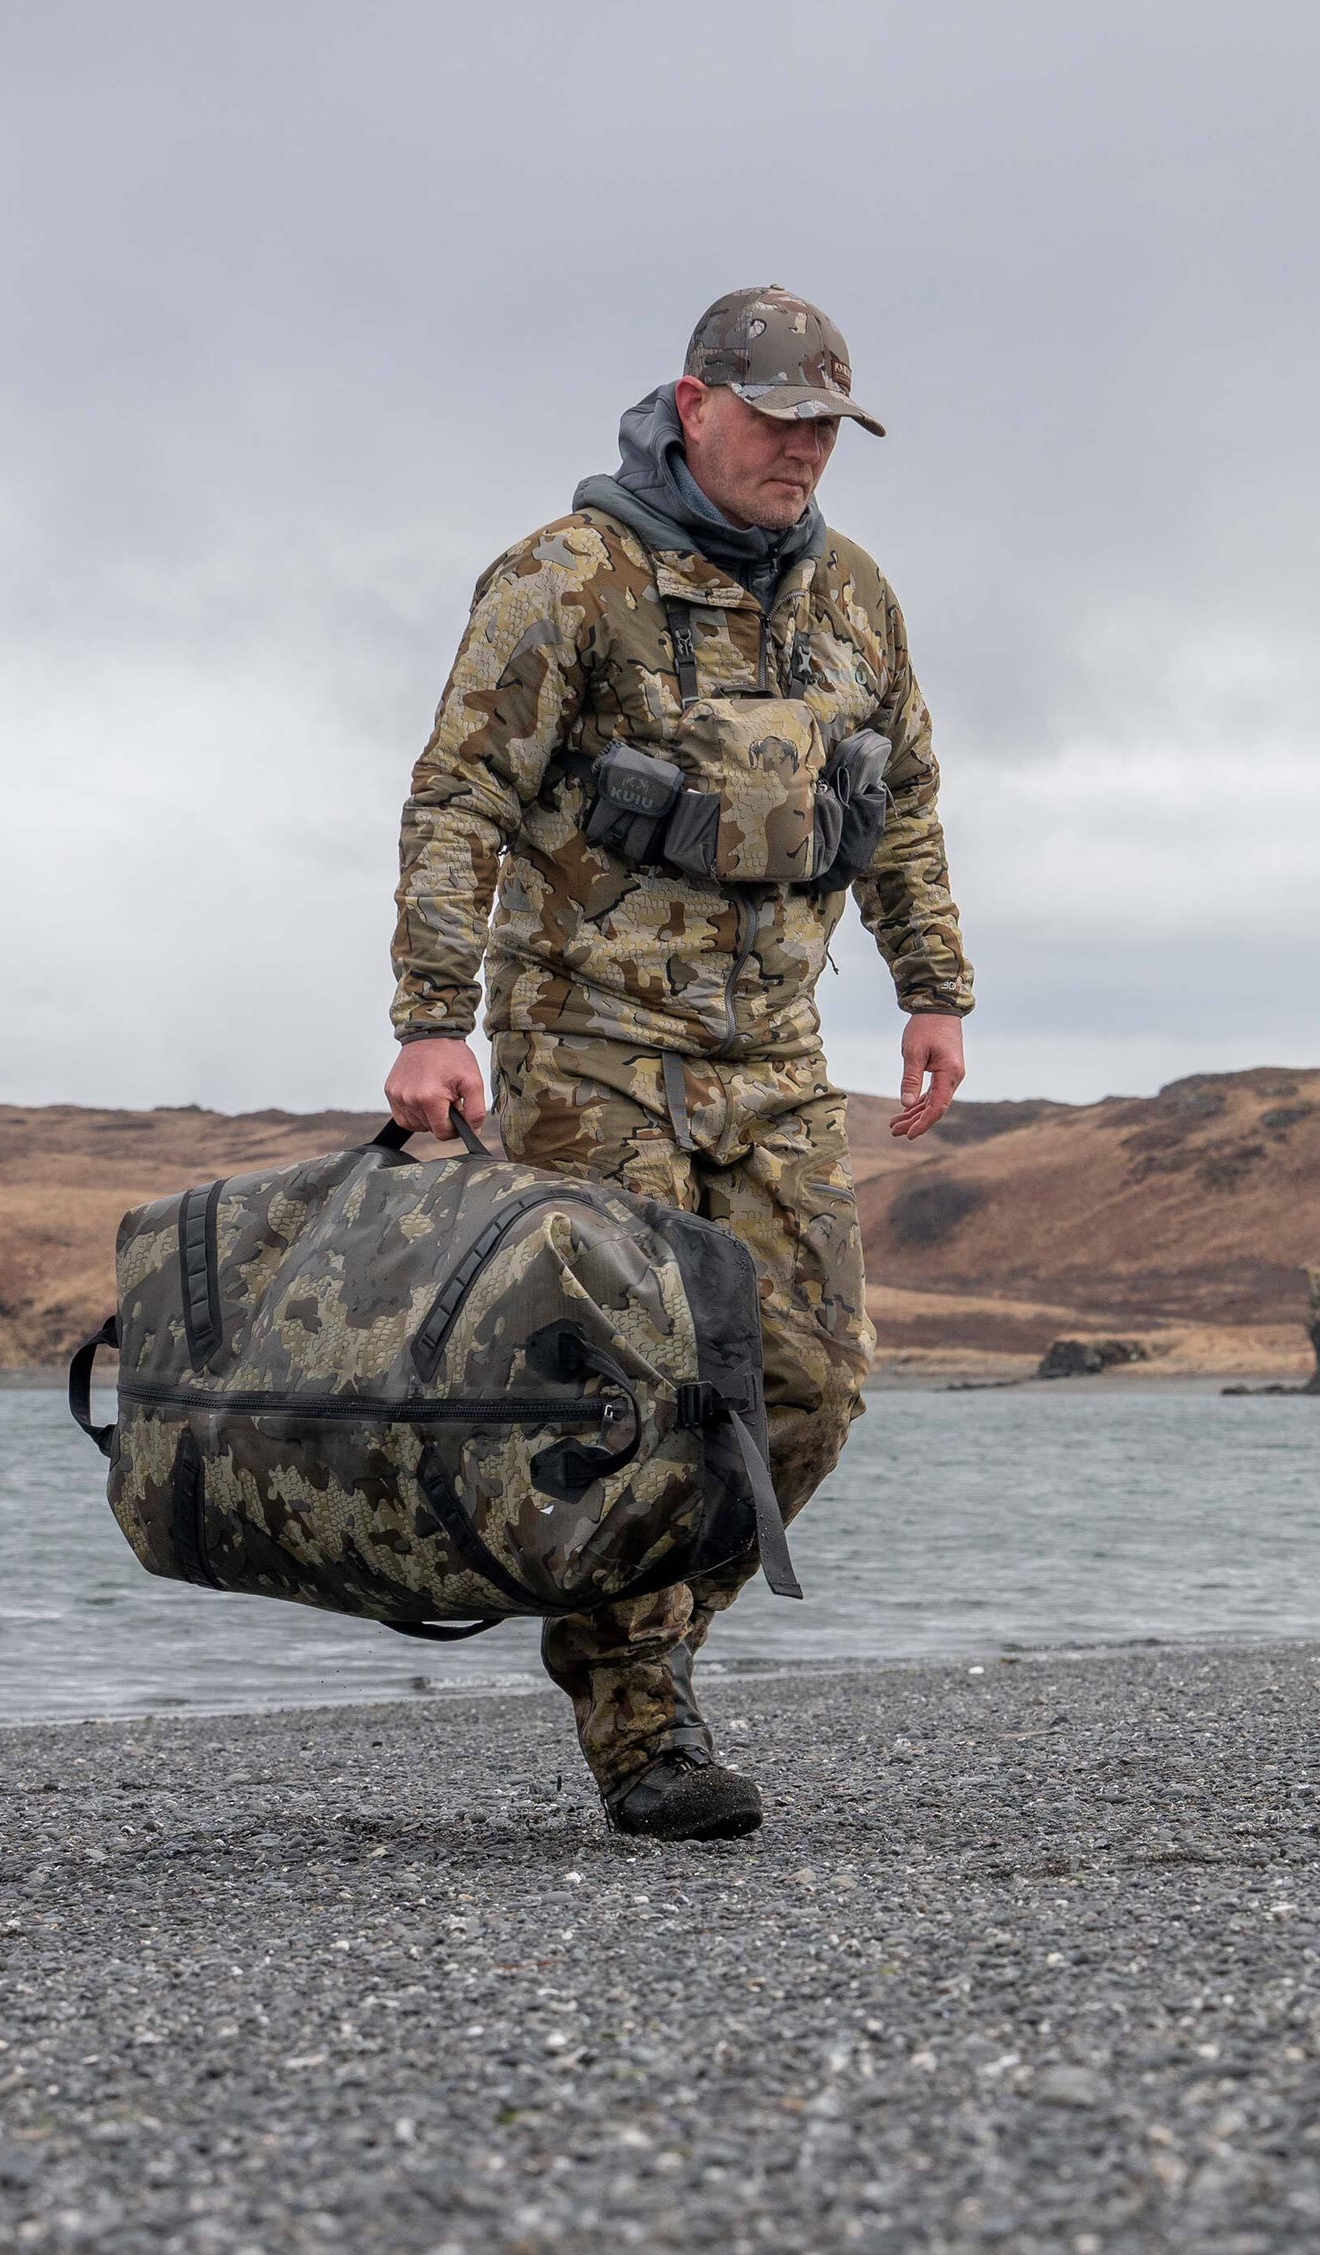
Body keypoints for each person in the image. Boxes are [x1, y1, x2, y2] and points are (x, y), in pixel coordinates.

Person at [383, 286, 974, 1840]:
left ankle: (635, 1634)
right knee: (635, 1389)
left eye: (825, 430)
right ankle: (639, 1719)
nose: (802, 453)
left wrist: (932, 990)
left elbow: (902, 802)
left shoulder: (851, 595)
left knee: (811, 1389)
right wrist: (432, 1017)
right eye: (777, 421)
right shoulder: (564, 580)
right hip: (589, 1046)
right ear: (694, 405)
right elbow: (459, 800)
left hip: (774, 1056)